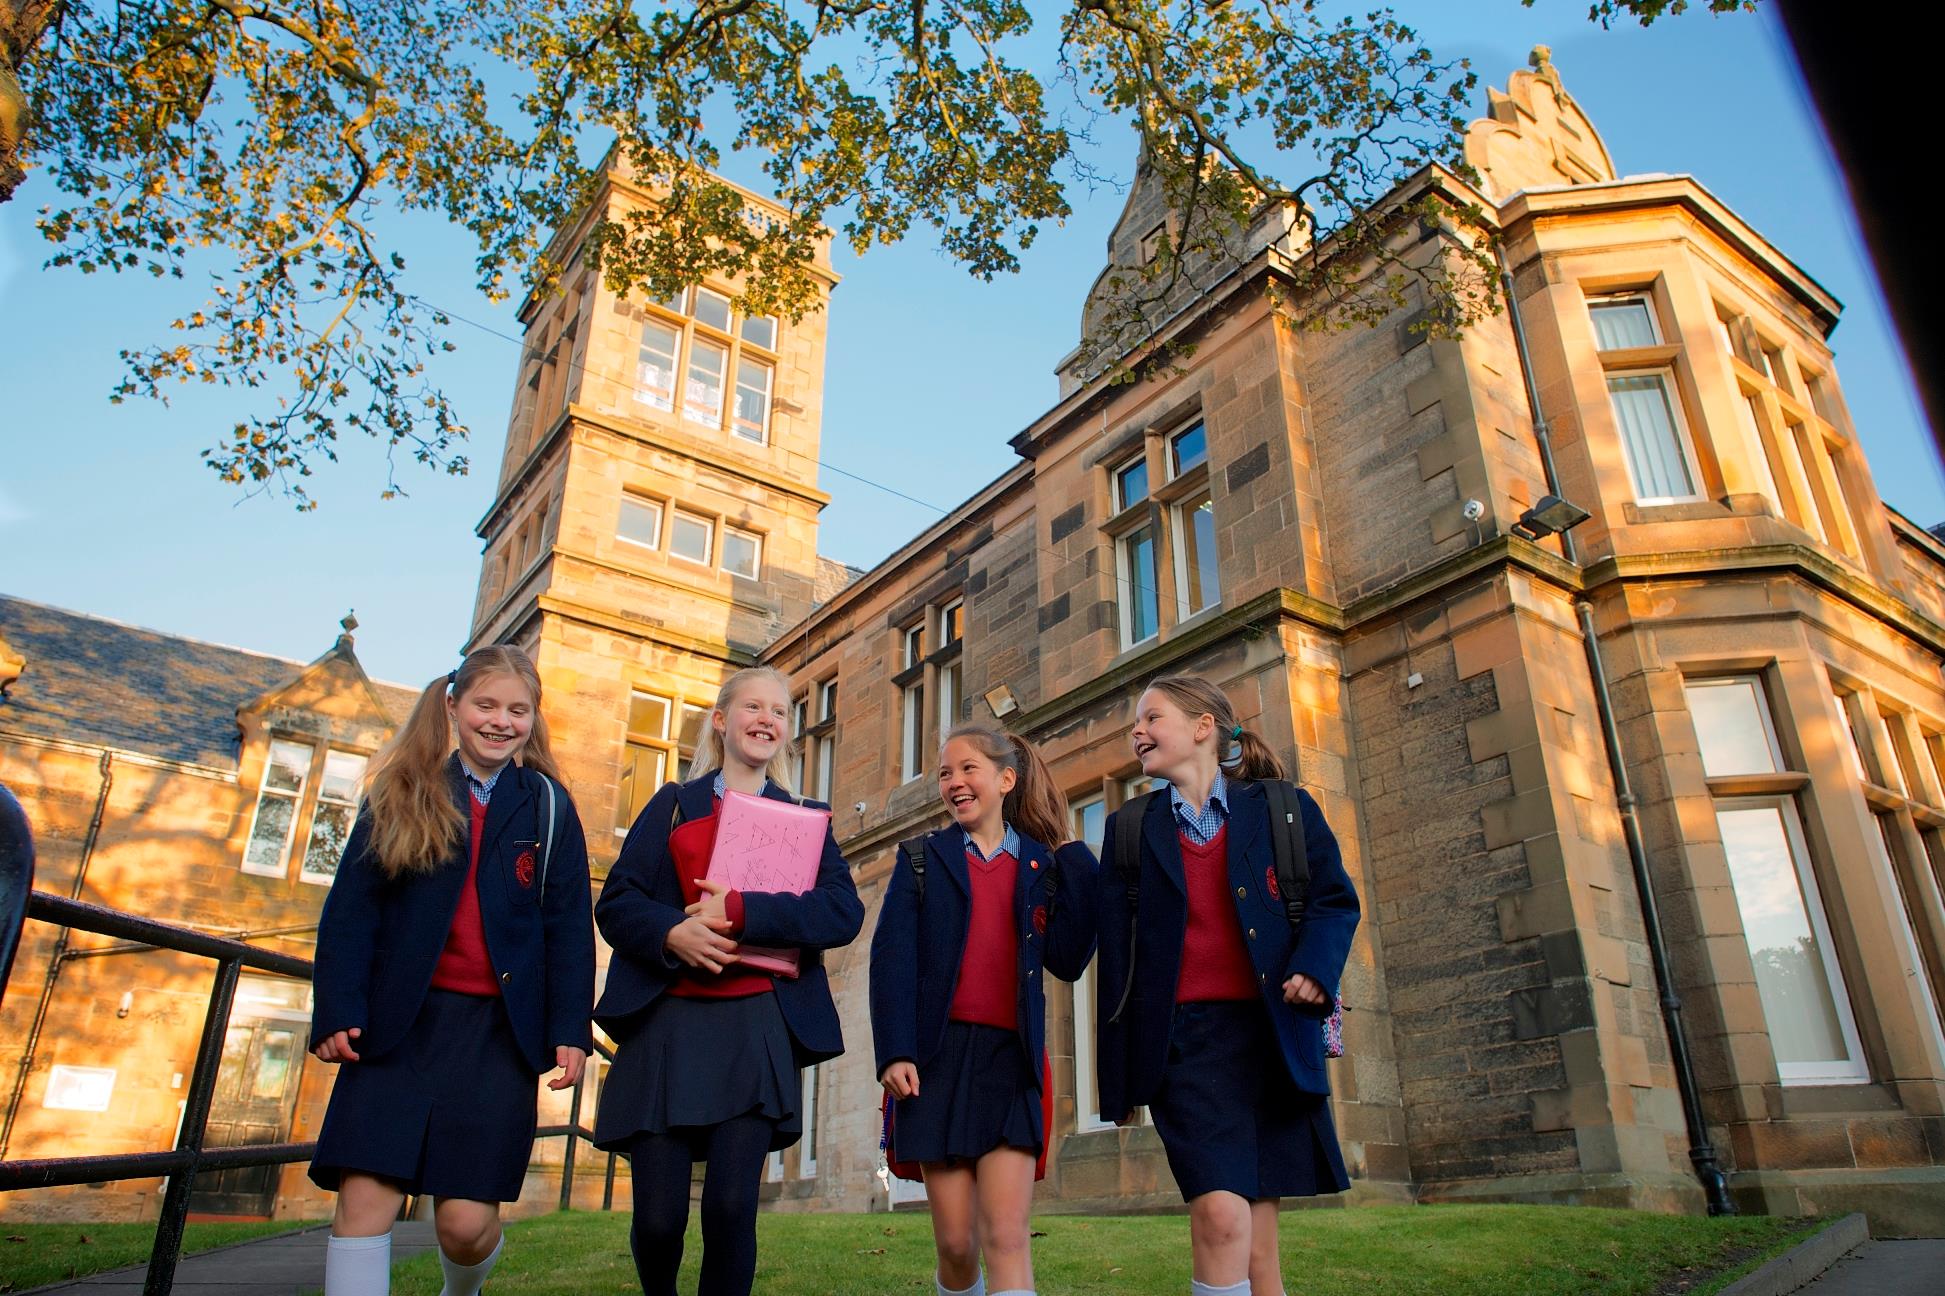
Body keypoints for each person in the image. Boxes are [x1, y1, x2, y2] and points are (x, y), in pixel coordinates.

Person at [309, 644, 595, 1296]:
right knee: (364, 1207)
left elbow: (569, 929)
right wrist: (338, 1010)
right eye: (485, 705)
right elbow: (351, 915)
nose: (499, 721)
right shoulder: (402, 790)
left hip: (497, 1039)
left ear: (533, 718)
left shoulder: (548, 807)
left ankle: (460, 1291)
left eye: (516, 710)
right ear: (453, 706)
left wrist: (569, 1029)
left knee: (464, 1226)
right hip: (395, 1029)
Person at [593, 665, 864, 1296]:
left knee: (730, 1211)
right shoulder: (672, 805)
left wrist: (743, 910)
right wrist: (671, 932)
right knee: (659, 1221)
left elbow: (841, 912)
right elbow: (618, 902)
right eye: (753, 707)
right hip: (668, 1026)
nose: (767, 719)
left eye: (780, 710)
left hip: (755, 1029)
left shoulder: (804, 818)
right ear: (721, 721)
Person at [1095, 674, 1360, 1296]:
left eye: (1152, 718)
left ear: (1203, 727)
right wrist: (1119, 1080)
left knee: (1260, 1250)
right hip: (1185, 1048)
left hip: (1273, 1040)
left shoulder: (1283, 809)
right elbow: (1117, 965)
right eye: (1137, 723)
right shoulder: (1130, 830)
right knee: (1220, 1218)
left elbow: (1333, 902)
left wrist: (1315, 970)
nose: (1138, 731)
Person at [870, 723, 1099, 1296]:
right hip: (935, 1065)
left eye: (968, 769)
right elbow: (891, 962)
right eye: (946, 773)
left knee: (1007, 1237)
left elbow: (1069, 959)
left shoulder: (1042, 870)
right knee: (956, 1244)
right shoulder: (920, 860)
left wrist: (1072, 852)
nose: (954, 782)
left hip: (1010, 1063)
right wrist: (895, 1051)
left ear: (1004, 779)